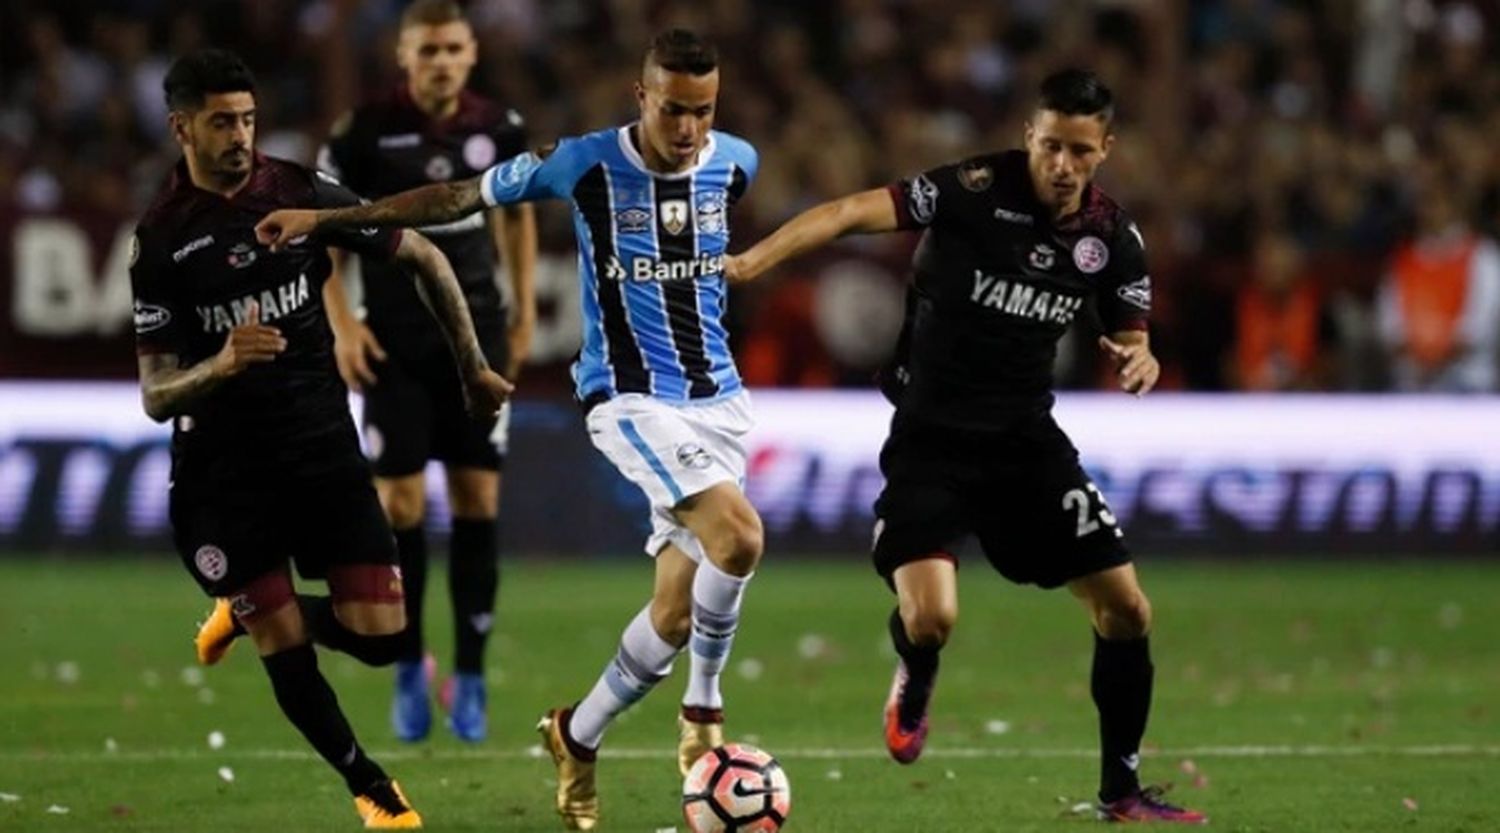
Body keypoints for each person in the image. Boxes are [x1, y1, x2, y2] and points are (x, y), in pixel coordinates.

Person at [258, 30, 763, 831]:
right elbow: (456, 199)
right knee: (739, 537)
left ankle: (576, 733)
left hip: (722, 405)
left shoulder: (736, 162)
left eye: (703, 111)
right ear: (642, 98)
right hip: (628, 398)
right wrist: (332, 220)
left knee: (673, 609)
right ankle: (703, 714)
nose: (690, 129)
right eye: (673, 110)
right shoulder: (587, 162)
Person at [724, 69, 1207, 824]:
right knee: (932, 619)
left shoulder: (1112, 236)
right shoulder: (974, 189)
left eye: (1079, 150)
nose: (1061, 164)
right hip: (931, 438)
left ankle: (1122, 790)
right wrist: (757, 260)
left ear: (1104, 149)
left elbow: (1129, 329)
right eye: (1050, 145)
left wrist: (1139, 355)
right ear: (1029, 136)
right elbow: (853, 211)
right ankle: (916, 672)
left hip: (1026, 443)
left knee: (1127, 608)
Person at [134, 48, 509, 828]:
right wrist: (221, 363)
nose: (240, 135)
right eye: (220, 122)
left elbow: (425, 254)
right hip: (224, 473)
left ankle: (247, 606)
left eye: (246, 118)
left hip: (323, 452)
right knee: (281, 633)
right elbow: (154, 394)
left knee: (382, 636)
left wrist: (472, 366)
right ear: (181, 128)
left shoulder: (299, 191)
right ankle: (371, 787)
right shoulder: (163, 240)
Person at [317, 0, 538, 743]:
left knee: (477, 498)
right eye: (428, 49)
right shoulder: (362, 132)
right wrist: (344, 325)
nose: (442, 60)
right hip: (393, 345)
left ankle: (469, 673)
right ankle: (411, 662)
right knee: (402, 506)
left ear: (471, 52)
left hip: (474, 341)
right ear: (404, 56)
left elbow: (517, 217)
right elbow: (326, 232)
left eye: (453, 48)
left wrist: (524, 315)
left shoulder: (498, 128)